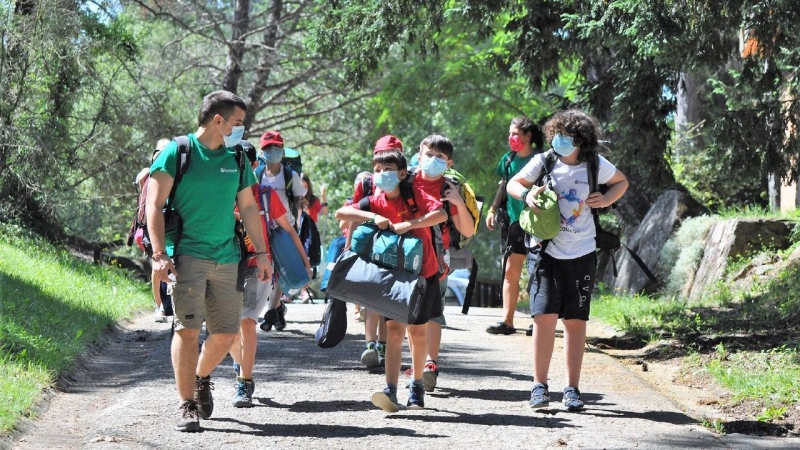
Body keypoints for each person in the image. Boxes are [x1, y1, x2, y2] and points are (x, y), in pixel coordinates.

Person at [146, 90, 273, 432]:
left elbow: (248, 207)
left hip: (228, 257)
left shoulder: (237, 158)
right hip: (187, 255)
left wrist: (262, 253)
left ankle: (201, 376)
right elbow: (153, 205)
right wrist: (159, 255)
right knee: (187, 329)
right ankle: (187, 404)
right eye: (237, 123)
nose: (241, 130)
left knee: (225, 333)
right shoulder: (178, 152)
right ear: (219, 120)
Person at [506, 108, 628, 411]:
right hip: (546, 252)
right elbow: (513, 184)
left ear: (582, 141)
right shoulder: (544, 162)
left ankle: (572, 389)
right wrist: (527, 196)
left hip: (583, 253)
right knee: (543, 318)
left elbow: (621, 182)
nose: (559, 140)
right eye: (556, 134)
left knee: (575, 321)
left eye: (567, 136)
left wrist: (608, 198)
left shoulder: (595, 165)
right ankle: (539, 386)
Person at [335, 147, 447, 412]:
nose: (382, 175)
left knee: (417, 333)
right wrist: (373, 216)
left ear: (402, 173)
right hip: (394, 277)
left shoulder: (415, 194)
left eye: (387, 170)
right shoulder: (375, 200)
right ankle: (391, 389)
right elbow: (342, 213)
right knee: (395, 331)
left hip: (423, 274)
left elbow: (441, 214)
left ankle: (417, 385)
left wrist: (410, 224)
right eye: (377, 171)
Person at [228, 143, 308, 408]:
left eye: (239, 164)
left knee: (247, 322)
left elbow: (289, 230)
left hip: (258, 265)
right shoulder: (217, 193)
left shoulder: (264, 195)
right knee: (226, 329)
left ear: (253, 166)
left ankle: (244, 382)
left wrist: (303, 260)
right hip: (222, 266)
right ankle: (240, 363)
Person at [411, 134, 475, 393]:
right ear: (418, 155)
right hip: (408, 255)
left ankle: (430, 364)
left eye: (440, 157)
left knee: (434, 312)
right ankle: (417, 364)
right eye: (429, 154)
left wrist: (458, 202)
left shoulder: (450, 189)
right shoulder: (408, 183)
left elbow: (467, 230)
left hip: (438, 258)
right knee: (412, 313)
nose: (433, 160)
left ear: (449, 163)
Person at [484, 116, 544, 335]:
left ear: (528, 136)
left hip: (539, 224)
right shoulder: (508, 160)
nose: (511, 138)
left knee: (538, 272)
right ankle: (507, 322)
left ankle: (537, 322)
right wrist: (491, 209)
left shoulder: (541, 160)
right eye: (510, 133)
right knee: (510, 272)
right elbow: (503, 186)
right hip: (513, 223)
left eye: (515, 134)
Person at [256, 130, 307, 330]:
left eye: (276, 147)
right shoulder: (257, 174)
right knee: (269, 266)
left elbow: (299, 201)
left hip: (286, 227)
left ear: (283, 150)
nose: (273, 151)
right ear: (262, 151)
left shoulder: (290, 175)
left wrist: (297, 224)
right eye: (268, 148)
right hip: (262, 229)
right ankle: (276, 310)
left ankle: (272, 309)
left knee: (281, 269)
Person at [134, 138, 173, 323]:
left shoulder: (175, 172)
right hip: (153, 225)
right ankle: (160, 307)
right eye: (160, 151)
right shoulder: (147, 175)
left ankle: (168, 305)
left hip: (172, 224)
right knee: (156, 263)